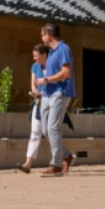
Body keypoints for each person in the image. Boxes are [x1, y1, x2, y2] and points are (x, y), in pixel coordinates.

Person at [36, 22, 76, 176]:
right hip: (47, 93)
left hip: (59, 92)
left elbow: (66, 73)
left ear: (49, 35)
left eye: (42, 34)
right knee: (46, 129)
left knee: (53, 128)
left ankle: (56, 164)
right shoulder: (51, 52)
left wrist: (46, 80)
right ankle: (66, 156)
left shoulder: (63, 49)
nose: (41, 37)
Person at [18, 44, 49, 174]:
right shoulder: (35, 66)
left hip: (50, 102)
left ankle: (66, 157)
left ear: (44, 55)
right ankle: (28, 163)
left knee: (50, 133)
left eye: (37, 56)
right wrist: (35, 92)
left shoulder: (52, 66)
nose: (35, 59)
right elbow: (33, 85)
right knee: (35, 132)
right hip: (38, 102)